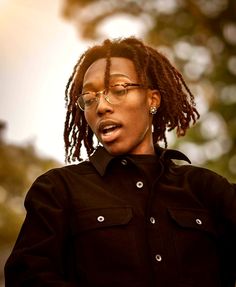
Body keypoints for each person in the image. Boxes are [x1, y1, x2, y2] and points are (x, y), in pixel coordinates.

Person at [4, 37, 236, 287]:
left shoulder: (208, 189)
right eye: (89, 98)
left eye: (118, 89)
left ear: (152, 100)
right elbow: (27, 278)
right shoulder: (57, 190)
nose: (101, 106)